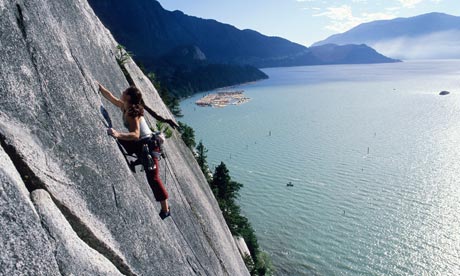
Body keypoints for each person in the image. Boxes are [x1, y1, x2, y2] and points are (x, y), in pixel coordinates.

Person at [97, 82, 170, 220]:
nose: (122, 92)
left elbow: (136, 134)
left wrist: (118, 134)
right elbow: (111, 98)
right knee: (120, 139)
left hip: (148, 145)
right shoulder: (126, 106)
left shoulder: (132, 112)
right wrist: (99, 87)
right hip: (140, 144)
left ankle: (166, 209)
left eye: (125, 92)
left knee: (153, 178)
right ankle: (136, 160)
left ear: (129, 97)